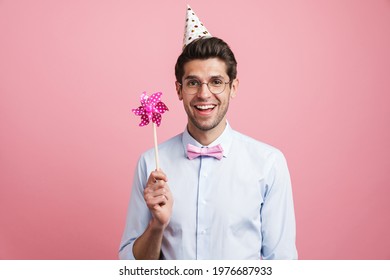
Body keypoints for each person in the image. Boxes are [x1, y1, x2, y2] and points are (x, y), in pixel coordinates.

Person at [119, 5, 297, 260]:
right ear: (179, 90)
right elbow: (130, 267)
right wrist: (156, 226)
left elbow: (282, 263)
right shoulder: (151, 164)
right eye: (193, 83)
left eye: (216, 82)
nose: (204, 94)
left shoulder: (269, 164)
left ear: (233, 87)